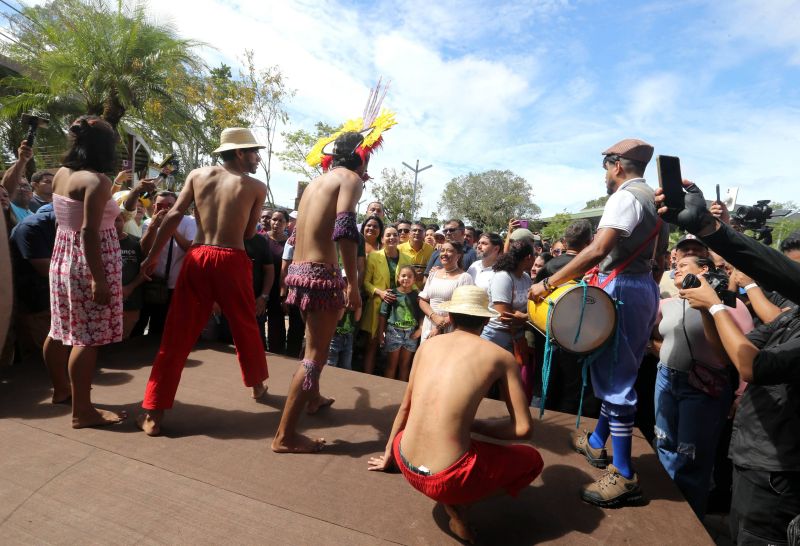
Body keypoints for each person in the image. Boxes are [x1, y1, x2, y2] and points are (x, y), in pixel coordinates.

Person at [656, 180, 800, 544]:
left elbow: (753, 367)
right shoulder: (791, 316)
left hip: (779, 470)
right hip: (753, 455)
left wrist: (719, 305)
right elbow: (730, 354)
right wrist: (708, 308)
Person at [530, 138, 668, 507]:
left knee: (617, 381)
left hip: (621, 288)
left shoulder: (625, 197)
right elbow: (660, 259)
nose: (606, 176)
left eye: (606, 168)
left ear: (617, 165)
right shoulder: (655, 204)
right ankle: (596, 443)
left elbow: (598, 249)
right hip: (641, 289)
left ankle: (624, 475)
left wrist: (548, 283)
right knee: (615, 373)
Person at [367, 285, 543, 543]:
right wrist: (476, 424)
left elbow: (405, 408)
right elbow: (523, 429)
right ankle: (460, 506)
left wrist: (388, 456)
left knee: (451, 441)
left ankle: (455, 496)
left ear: (450, 317)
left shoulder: (428, 345)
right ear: (486, 320)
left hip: (404, 460)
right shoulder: (500, 357)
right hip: (446, 479)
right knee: (532, 460)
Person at [136, 127, 270, 436]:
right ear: (239, 152)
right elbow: (250, 234)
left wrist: (153, 256)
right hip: (232, 259)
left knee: (176, 334)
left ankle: (154, 413)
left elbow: (172, 216)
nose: (257, 158)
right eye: (253, 152)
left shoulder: (197, 175)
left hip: (198, 257)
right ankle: (258, 386)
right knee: (245, 325)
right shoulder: (255, 187)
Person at [272, 129, 381, 453]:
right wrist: (351, 283)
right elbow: (346, 229)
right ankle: (285, 436)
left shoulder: (316, 184)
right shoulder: (351, 180)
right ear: (361, 157)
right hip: (321, 275)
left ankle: (314, 398)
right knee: (315, 355)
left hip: (299, 272)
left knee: (312, 343)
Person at [652, 255, 753, 518]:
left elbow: (745, 350)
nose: (677, 268)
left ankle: (688, 524)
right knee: (663, 445)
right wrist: (657, 350)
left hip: (703, 389)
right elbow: (647, 329)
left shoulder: (730, 306)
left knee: (692, 459)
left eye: (684, 265)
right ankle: (666, 513)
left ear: (704, 270)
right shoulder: (666, 303)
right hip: (665, 379)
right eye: (676, 264)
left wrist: (741, 393)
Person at [44, 115, 125, 426]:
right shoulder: (96, 181)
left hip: (62, 257)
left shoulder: (61, 174)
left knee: (58, 329)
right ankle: (83, 412)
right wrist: (98, 279)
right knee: (86, 338)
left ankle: (62, 391)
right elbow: (89, 232)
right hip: (89, 261)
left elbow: (72, 221)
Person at [132, 190, 197, 337]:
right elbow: (144, 250)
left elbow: (190, 248)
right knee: (138, 326)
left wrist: (170, 227)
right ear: (154, 206)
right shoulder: (149, 222)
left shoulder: (188, 222)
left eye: (170, 205)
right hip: (149, 282)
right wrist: (153, 227)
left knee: (161, 329)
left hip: (173, 286)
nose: (164, 209)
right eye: (160, 205)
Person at [360, 225, 413, 374]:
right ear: (382, 239)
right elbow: (365, 282)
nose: (392, 238)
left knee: (394, 348)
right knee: (372, 344)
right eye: (388, 235)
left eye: (395, 235)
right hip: (377, 305)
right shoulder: (374, 256)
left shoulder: (407, 259)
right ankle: (367, 376)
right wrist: (380, 292)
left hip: (398, 308)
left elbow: (411, 283)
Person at [9, 204, 56, 362]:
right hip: (34, 304)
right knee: (38, 355)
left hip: (54, 299)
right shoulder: (31, 228)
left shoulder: (67, 225)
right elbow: (46, 269)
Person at [480, 241, 534, 353]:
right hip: (496, 335)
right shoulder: (503, 277)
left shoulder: (526, 277)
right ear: (529, 257)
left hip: (517, 333)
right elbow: (504, 315)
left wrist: (525, 317)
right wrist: (527, 318)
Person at [419, 242, 474, 341]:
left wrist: (439, 326)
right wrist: (434, 316)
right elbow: (423, 300)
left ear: (458, 255)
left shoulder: (465, 278)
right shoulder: (433, 274)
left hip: (450, 327)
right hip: (429, 323)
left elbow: (464, 308)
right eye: (442, 250)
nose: (444, 253)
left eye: (449, 251)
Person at [377, 265, 422, 381]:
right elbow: (382, 314)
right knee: (391, 364)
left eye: (409, 276)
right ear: (398, 278)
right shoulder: (391, 293)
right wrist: (381, 332)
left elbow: (422, 314)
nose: (406, 279)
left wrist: (420, 329)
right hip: (394, 332)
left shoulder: (417, 296)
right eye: (403, 276)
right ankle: (387, 390)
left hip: (411, 334)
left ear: (414, 280)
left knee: (405, 365)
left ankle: (401, 393)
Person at [115, 211, 149, 339]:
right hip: (104, 301)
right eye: (110, 220)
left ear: (124, 221)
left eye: (118, 220)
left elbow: (145, 270)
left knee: (123, 341)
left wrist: (130, 287)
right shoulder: (97, 242)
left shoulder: (136, 243)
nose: (114, 224)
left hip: (131, 302)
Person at [265, 209, 290, 353]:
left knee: (277, 325)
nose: (276, 223)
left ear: (286, 224)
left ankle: (277, 352)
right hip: (261, 289)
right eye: (274, 219)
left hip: (279, 290)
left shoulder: (289, 244)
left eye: (281, 221)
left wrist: (285, 294)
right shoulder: (261, 239)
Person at [398, 221, 435, 287]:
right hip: (404, 291)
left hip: (422, 292)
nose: (417, 233)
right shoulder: (399, 249)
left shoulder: (431, 250)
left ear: (424, 234)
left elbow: (434, 271)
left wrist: (424, 275)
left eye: (420, 231)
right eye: (414, 230)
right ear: (409, 233)